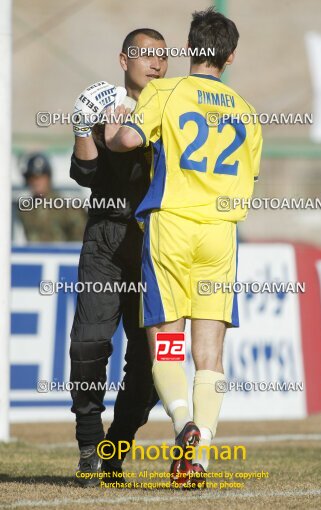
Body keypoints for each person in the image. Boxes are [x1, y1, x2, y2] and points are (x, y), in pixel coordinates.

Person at [106, 8, 263, 487]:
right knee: (210, 352)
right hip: (219, 234)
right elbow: (250, 175)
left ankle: (182, 424)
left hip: (172, 227)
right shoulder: (246, 110)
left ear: (189, 49)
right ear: (230, 55)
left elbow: (129, 141)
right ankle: (201, 456)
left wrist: (114, 129)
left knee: (168, 343)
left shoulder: (164, 91)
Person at [69, 29, 168, 486]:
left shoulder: (171, 106)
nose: (155, 64)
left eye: (162, 57)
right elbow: (86, 172)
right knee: (88, 347)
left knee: (149, 367)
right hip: (105, 241)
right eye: (145, 55)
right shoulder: (105, 105)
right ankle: (89, 445)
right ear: (123, 59)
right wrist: (82, 126)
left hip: (155, 244)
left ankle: (116, 447)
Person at [18, 153, 86, 241]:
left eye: (41, 178)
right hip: (34, 254)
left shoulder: (67, 207)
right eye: (33, 178)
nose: (36, 182)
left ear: (48, 178)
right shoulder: (25, 210)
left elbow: (80, 240)